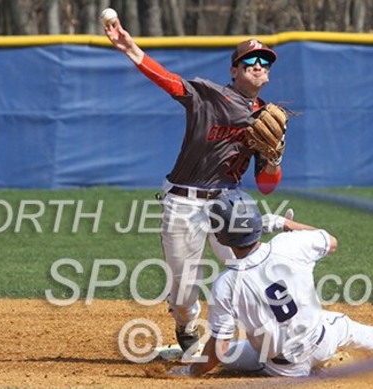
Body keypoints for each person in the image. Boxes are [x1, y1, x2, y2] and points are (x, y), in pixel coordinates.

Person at [103, 20, 286, 353]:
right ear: (234, 70)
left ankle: (274, 341)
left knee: (253, 273)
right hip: (185, 203)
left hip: (230, 205)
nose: (258, 66)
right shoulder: (209, 96)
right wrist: (130, 48)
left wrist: (273, 158)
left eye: (265, 62)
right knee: (184, 292)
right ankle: (186, 326)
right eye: (250, 61)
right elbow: (170, 82)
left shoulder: (268, 118)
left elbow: (267, 185)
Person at [170, 189, 373, 378]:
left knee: (229, 355)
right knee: (356, 331)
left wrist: (192, 372)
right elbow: (331, 241)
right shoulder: (289, 245)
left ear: (220, 238)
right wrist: (283, 223)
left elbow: (219, 350)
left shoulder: (226, 284)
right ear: (258, 222)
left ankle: (317, 373)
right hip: (324, 340)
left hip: (286, 369)